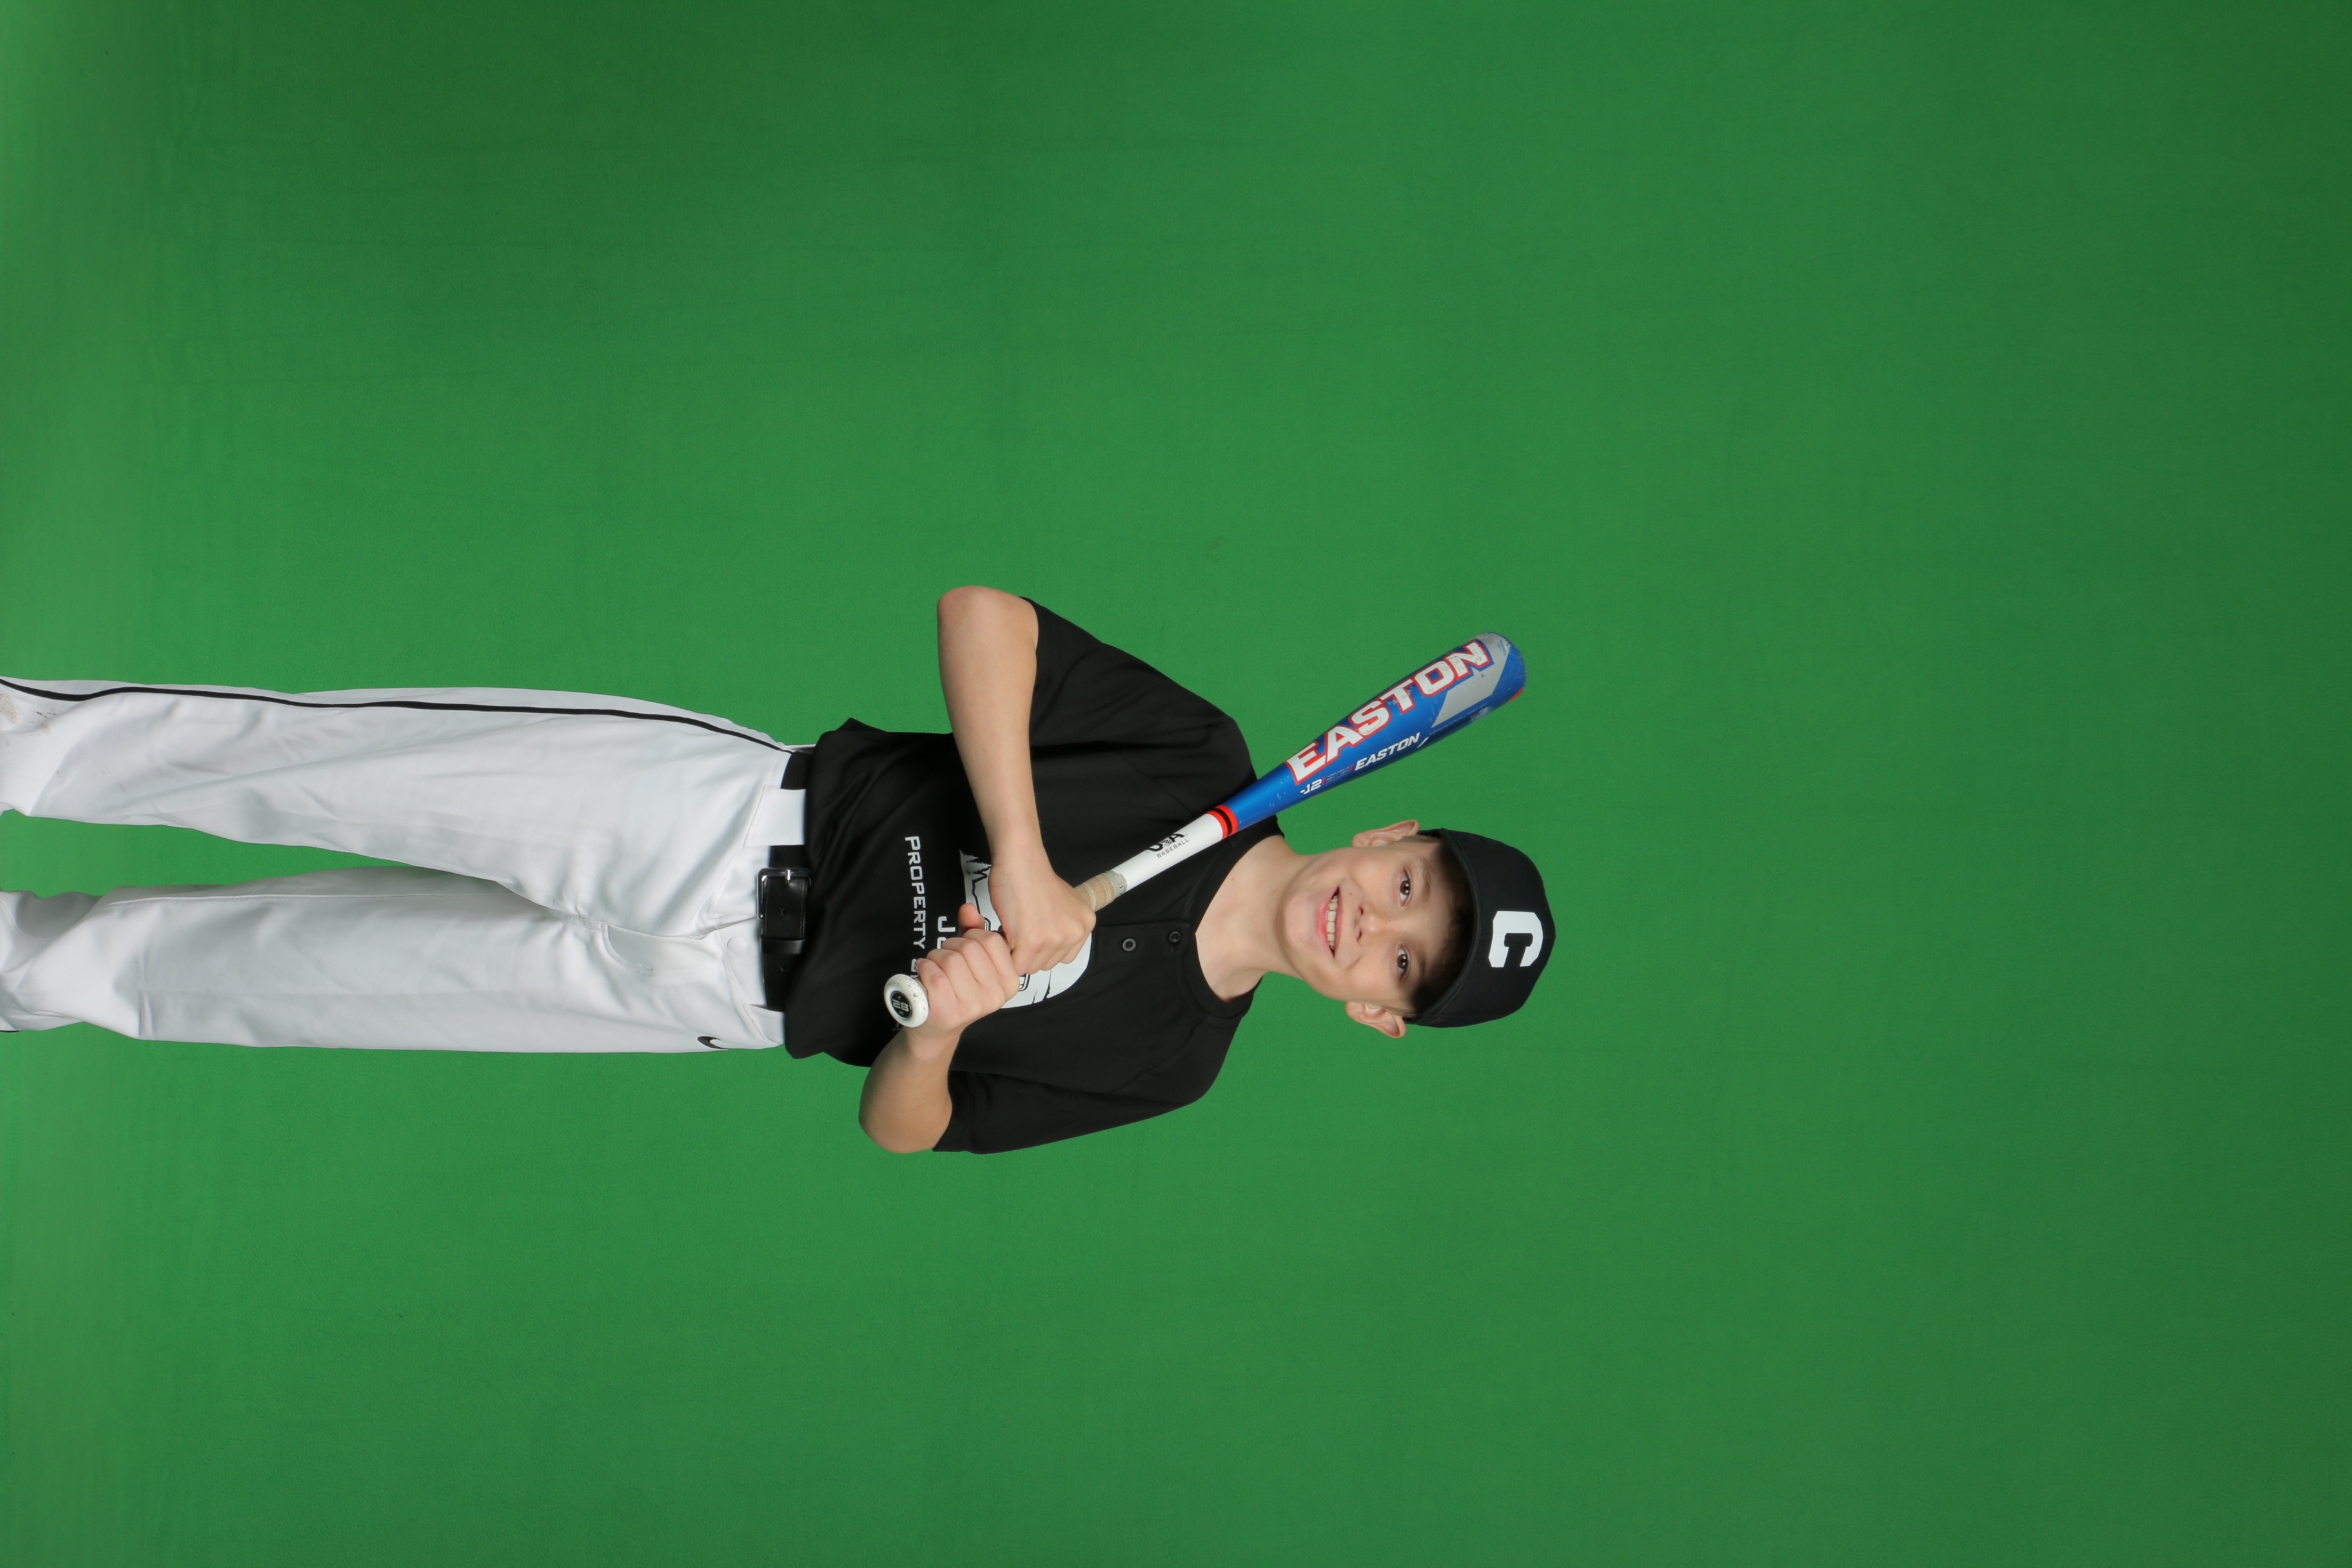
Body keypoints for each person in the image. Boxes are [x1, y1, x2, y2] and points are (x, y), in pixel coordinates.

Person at [0, 588, 1553, 1152]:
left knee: (256, 981)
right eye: (1413, 889)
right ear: (1386, 835)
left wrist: (939, 1030)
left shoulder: (1172, 1060)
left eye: (1403, 963)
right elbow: (984, 618)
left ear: (1376, 1011)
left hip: (700, 1002)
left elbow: (911, 1129)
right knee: (290, 768)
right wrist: (1021, 854)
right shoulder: (1195, 757)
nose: (1379, 926)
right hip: (718, 820)